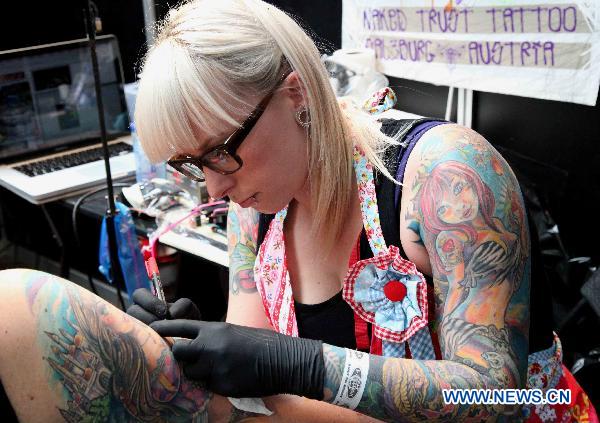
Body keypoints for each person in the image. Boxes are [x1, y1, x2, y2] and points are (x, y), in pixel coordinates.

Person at [0, 0, 597, 421]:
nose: (210, 190)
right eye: (191, 165)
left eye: (221, 154)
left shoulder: (446, 179)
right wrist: (199, 350)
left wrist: (303, 365)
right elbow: (263, 392)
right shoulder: (252, 214)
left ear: (294, 94)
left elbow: (496, 397)